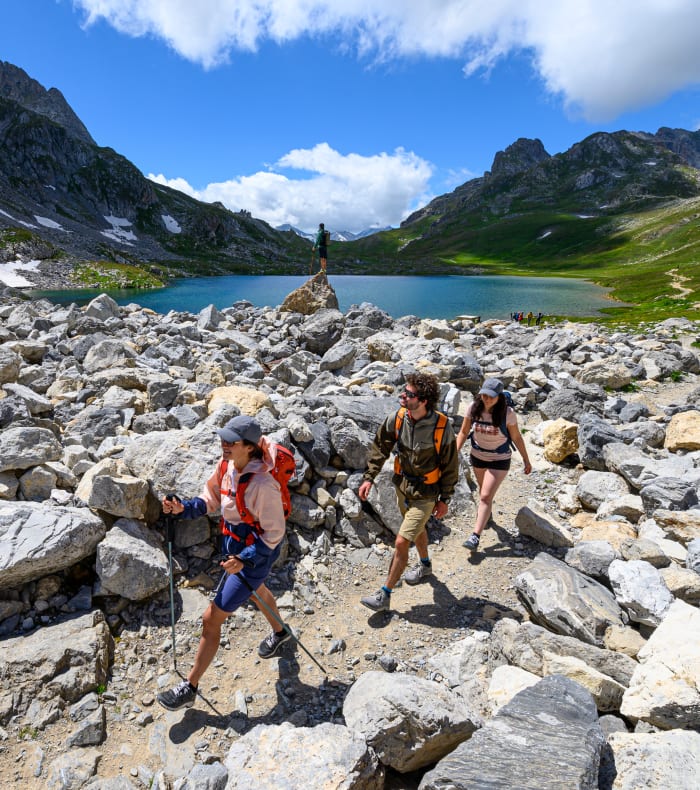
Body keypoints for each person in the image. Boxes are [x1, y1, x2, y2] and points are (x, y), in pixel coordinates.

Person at [157, 415, 289, 711]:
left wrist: (245, 560)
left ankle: (190, 687)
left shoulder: (264, 485)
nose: (224, 444)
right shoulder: (227, 467)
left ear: (250, 448)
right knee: (258, 592)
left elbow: (275, 534)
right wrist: (183, 508)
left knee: (210, 618)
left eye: (231, 441)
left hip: (252, 558)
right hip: (235, 552)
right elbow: (210, 500)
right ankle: (282, 633)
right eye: (223, 439)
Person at [358, 373, 459, 612]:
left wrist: (445, 499)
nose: (402, 396)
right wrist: (368, 478)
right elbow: (380, 446)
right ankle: (425, 565)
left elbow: (451, 465)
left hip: (425, 494)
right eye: (404, 391)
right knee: (417, 529)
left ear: (423, 401)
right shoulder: (399, 418)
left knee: (402, 541)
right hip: (402, 488)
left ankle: (385, 594)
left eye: (409, 394)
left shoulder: (442, 427)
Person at [456, 378, 531, 551]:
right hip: (478, 456)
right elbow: (463, 431)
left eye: (490, 396)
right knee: (484, 493)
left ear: (499, 396)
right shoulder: (473, 408)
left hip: (499, 459)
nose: (486, 399)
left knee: (484, 496)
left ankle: (475, 536)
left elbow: (517, 437)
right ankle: (487, 514)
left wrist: (526, 460)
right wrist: (454, 452)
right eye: (483, 395)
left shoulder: (507, 413)